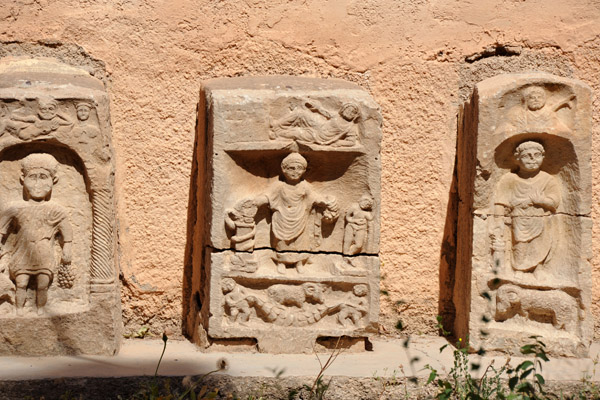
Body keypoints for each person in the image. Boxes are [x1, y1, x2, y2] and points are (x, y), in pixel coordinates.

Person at [0, 153, 72, 315]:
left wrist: (67, 248)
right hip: (22, 255)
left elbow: (66, 233)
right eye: (33, 177)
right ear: (22, 179)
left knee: (42, 285)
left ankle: (41, 311)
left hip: (45, 255)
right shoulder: (14, 209)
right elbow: (1, 230)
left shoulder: (56, 210)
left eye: (43, 177)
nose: (38, 184)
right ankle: (19, 311)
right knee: (21, 283)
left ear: (53, 181)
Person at [253, 153, 338, 273]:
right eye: (291, 168)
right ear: (284, 169)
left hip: (300, 218)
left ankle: (299, 262)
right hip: (281, 219)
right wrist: (255, 202)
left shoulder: (304, 186)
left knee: (299, 242)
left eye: (299, 168)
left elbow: (314, 197)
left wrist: (325, 201)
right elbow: (267, 196)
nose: (295, 171)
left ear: (304, 170)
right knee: (281, 242)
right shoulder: (279, 186)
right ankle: (281, 262)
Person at [492, 141, 560, 273]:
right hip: (519, 220)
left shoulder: (548, 179)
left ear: (543, 157)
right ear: (517, 158)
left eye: (537, 155)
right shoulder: (510, 179)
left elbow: (554, 202)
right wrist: (498, 222)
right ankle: (518, 270)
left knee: (540, 245)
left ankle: (538, 270)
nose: (532, 159)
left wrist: (540, 200)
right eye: (527, 155)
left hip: (541, 221)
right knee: (520, 247)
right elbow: (500, 202)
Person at [270, 101, 360, 147]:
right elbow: (326, 112)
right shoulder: (337, 116)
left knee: (297, 132)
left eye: (352, 112)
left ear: (355, 116)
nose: (349, 112)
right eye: (348, 109)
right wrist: (317, 108)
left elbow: (351, 142)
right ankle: (277, 125)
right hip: (320, 125)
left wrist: (337, 143)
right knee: (300, 113)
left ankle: (277, 134)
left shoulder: (350, 127)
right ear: (343, 109)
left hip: (320, 136)